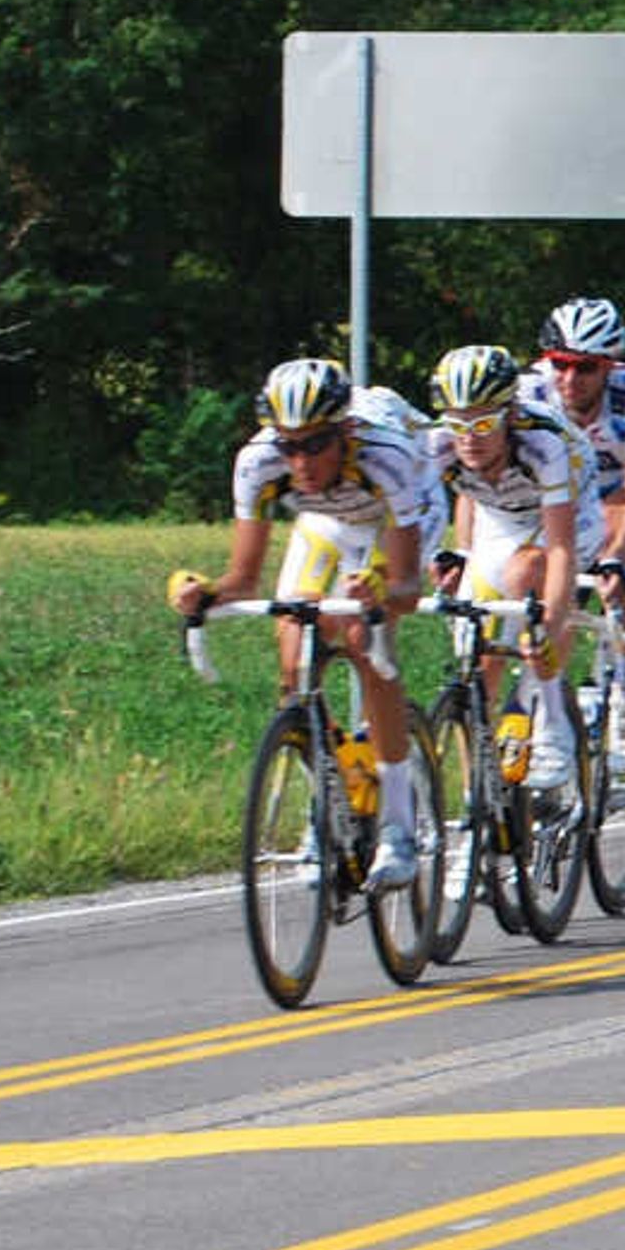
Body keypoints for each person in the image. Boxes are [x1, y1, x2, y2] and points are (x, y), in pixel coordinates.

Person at [173, 359, 439, 889]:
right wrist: (200, 592)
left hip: (395, 518)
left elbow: (409, 584)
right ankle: (329, 799)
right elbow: (244, 579)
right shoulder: (257, 462)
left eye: (315, 444)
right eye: (288, 446)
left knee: (367, 637)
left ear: (343, 431)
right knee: (295, 650)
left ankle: (398, 827)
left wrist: (382, 592)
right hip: (327, 522)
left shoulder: (387, 456)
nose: (300, 460)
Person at [422, 343, 587, 811]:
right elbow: (409, 524)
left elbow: (561, 549)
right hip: (499, 515)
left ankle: (551, 717)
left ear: (509, 415)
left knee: (528, 577)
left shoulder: (543, 444)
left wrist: (549, 627)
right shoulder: (439, 446)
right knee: (476, 665)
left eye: (483, 423)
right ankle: (481, 803)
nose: (468, 437)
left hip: (567, 513)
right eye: (457, 423)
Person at [519, 297, 625, 773]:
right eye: (560, 364)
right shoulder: (530, 392)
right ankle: (547, 696)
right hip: (562, 493)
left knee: (617, 544)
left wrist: (618, 556)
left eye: (585, 368)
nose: (569, 379)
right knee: (542, 573)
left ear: (609, 365)